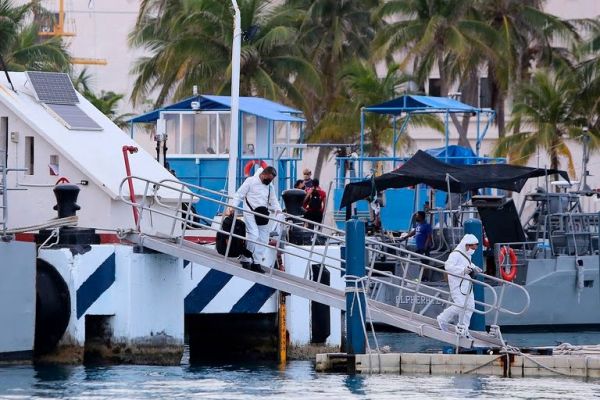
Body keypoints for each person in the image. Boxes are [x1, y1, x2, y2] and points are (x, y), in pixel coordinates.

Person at [227, 166, 282, 273]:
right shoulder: (250, 181)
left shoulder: (269, 186)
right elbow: (239, 194)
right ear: (264, 174)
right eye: (269, 179)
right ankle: (246, 259)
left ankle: (257, 262)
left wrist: (279, 211)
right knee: (253, 235)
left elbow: (273, 200)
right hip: (250, 213)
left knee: (263, 239)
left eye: (271, 180)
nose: (270, 181)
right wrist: (233, 206)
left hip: (263, 215)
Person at [436, 234, 482, 338]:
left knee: (470, 306)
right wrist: (463, 271)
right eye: (472, 247)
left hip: (467, 285)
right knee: (460, 305)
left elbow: (467, 263)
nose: (473, 250)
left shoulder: (467, 254)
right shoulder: (455, 254)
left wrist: (475, 267)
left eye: (475, 248)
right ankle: (442, 318)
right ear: (466, 245)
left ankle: (463, 328)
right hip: (457, 284)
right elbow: (448, 267)